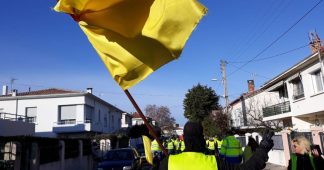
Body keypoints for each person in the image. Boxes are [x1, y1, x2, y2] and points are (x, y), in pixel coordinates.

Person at [159, 121, 275, 170]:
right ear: (201, 139)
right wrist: (263, 149)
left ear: (183, 139)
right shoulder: (214, 162)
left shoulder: (167, 163)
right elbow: (246, 168)